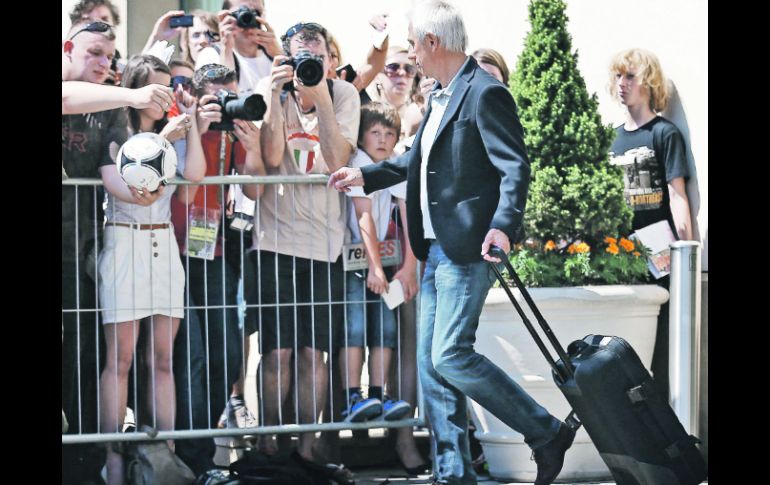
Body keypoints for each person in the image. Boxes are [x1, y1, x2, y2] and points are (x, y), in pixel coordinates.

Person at [328, 2, 575, 484]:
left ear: (433, 43)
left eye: (415, 45)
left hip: (468, 248)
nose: (412, 56)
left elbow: (514, 167)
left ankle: (544, 430)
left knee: (450, 356)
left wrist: (503, 224)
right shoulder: (441, 97)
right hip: (435, 250)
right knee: (432, 370)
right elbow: (412, 164)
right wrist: (365, 175)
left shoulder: (485, 94)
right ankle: (452, 474)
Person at [253, 20, 360, 463]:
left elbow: (338, 158)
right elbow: (273, 156)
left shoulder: (343, 95)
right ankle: (268, 444)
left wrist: (321, 99)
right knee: (276, 354)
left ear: (329, 59)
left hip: (325, 245)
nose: (307, 68)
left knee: (314, 356)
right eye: (300, 60)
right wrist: (277, 97)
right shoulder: (271, 86)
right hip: (274, 240)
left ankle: (308, 449)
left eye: (315, 60)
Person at [97, 53, 205, 485]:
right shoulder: (116, 134)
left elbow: (192, 183)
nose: (165, 97)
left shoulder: (171, 134)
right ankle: (113, 460)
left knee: (163, 359)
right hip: (124, 242)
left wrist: (191, 124)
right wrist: (164, 136)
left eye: (170, 88)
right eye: (158, 88)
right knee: (119, 359)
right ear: (137, 89)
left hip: (165, 245)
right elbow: (132, 191)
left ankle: (165, 457)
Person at [607, 47, 693, 398]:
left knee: (662, 348)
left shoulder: (664, 133)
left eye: (630, 76)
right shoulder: (610, 138)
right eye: (618, 76)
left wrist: (688, 255)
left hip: (660, 259)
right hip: (620, 259)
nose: (621, 84)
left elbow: (677, 196)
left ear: (649, 82)